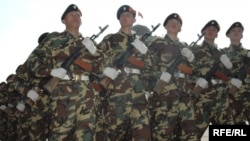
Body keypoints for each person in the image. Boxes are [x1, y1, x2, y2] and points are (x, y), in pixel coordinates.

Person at [25, 4, 103, 140]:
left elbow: (105, 67)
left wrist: (95, 52)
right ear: (63, 20)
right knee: (60, 135)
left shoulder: (89, 43)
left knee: (86, 136)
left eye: (78, 15)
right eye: (72, 14)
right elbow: (32, 61)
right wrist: (51, 71)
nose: (76, 17)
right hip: (63, 94)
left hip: (87, 94)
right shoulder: (54, 39)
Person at [97, 4, 153, 141]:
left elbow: (151, 68)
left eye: (129, 15)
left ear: (134, 20)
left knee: (144, 135)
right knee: (115, 135)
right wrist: (105, 69)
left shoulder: (141, 43)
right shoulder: (110, 39)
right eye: (122, 16)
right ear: (119, 19)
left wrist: (145, 52)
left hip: (138, 95)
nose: (125, 17)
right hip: (117, 95)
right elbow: (96, 58)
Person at [149, 13, 197, 141]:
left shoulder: (185, 47)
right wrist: (159, 75)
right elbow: (146, 65)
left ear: (180, 28)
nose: (174, 23)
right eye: (170, 21)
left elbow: (193, 72)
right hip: (165, 93)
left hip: (184, 93)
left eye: (177, 23)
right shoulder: (157, 43)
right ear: (165, 26)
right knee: (163, 131)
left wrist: (191, 60)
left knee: (189, 131)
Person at [191, 20, 235, 139]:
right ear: (203, 32)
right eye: (208, 29)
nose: (211, 31)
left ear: (217, 35)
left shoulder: (222, 54)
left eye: (214, 30)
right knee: (193, 135)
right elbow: (186, 72)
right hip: (202, 98)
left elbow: (229, 76)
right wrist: (195, 82)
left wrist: (228, 68)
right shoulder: (194, 50)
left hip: (221, 98)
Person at [221, 22, 250, 125]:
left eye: (239, 31)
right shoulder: (222, 53)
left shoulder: (248, 53)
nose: (236, 33)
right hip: (232, 96)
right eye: (233, 31)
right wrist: (230, 81)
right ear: (228, 35)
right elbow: (217, 73)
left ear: (242, 35)